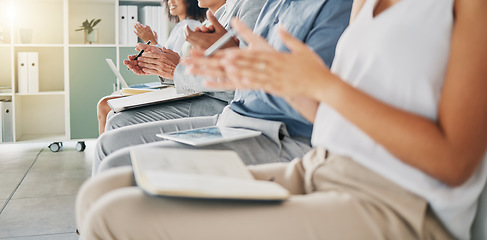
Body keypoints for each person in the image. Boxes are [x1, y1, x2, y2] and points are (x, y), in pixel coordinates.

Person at [77, 0, 487, 239]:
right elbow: (332, 116)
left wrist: (323, 85)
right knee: (102, 190)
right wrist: (259, 73)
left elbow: (454, 163)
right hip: (320, 166)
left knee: (110, 216)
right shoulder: (364, 4)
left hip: (396, 202)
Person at [91, 0, 353, 176]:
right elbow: (242, 75)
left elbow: (306, 94)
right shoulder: (272, 4)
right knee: (111, 142)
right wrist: (215, 59)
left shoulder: (331, 7)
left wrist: (211, 63)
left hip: (271, 128)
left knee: (114, 149)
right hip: (236, 114)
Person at [102, 0, 262, 132]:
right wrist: (159, 65)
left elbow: (237, 82)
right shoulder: (216, 18)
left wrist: (176, 68)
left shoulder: (248, 9)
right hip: (201, 94)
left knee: (117, 121)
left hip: (220, 103)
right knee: (112, 115)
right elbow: (188, 68)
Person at [96, 0, 207, 135]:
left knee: (104, 105)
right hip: (174, 86)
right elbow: (170, 61)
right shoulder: (179, 27)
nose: (171, 1)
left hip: (178, 90)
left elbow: (176, 64)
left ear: (189, 2)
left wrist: (153, 42)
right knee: (110, 102)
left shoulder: (190, 26)